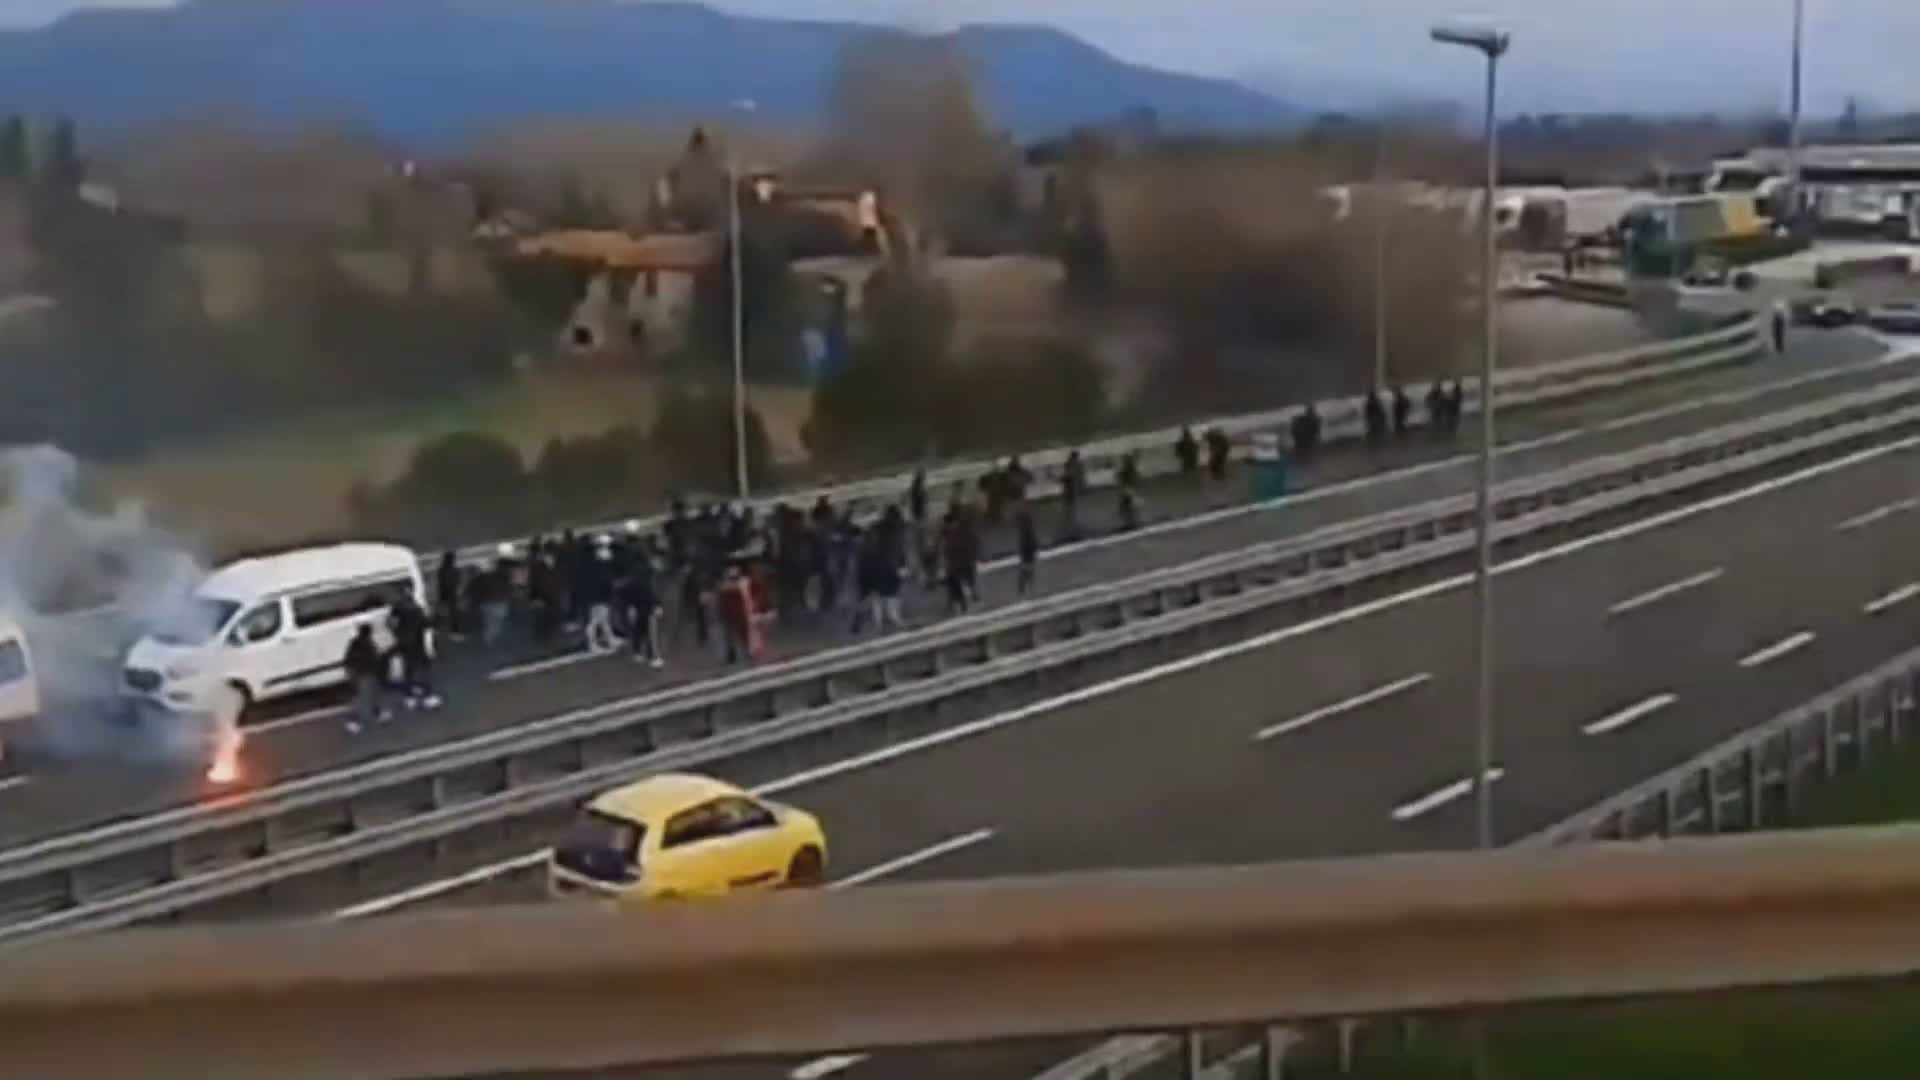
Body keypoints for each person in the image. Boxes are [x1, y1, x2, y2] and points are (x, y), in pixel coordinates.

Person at [387, 591, 441, 711]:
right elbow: (427, 625)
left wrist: (397, 634)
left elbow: (390, 623)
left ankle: (410, 697)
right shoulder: (417, 611)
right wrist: (434, 618)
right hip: (417, 645)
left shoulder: (397, 608)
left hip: (404, 645)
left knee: (408, 671)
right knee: (423, 671)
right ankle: (427, 696)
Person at [342, 623, 389, 734]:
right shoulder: (366, 644)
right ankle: (353, 720)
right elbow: (372, 659)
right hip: (364, 673)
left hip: (360, 672)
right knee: (363, 696)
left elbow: (349, 659)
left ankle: (377, 713)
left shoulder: (356, 643)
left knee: (371, 693)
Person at [620, 560, 664, 668]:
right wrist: (657, 605)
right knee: (651, 634)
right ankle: (654, 657)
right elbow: (651, 594)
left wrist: (629, 607)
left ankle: (637, 652)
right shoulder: (649, 578)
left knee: (639, 631)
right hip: (647, 608)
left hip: (637, 608)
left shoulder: (635, 577)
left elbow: (628, 594)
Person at [582, 541, 618, 654]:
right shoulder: (597, 565)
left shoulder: (592, 564)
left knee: (603, 620)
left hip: (597, 596)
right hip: (599, 596)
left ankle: (610, 639)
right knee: (595, 621)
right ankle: (592, 644)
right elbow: (604, 581)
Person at [1014, 504, 1039, 598]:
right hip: (1028, 554)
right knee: (1027, 573)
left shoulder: (1026, 532)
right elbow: (1032, 542)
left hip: (1027, 555)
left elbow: (1027, 543)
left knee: (1025, 573)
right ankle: (1029, 591)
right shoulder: (1027, 530)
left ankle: (1025, 592)